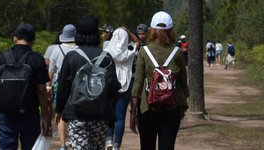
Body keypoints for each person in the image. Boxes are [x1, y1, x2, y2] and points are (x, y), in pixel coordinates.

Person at [0, 23, 53, 150]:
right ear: (33, 40)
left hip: (6, 116)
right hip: (30, 115)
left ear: (15, 38)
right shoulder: (37, 59)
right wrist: (45, 118)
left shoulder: (1, 57)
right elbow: (42, 92)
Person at [55, 15, 118, 150]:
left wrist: (60, 110)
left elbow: (62, 87)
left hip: (76, 114)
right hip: (100, 116)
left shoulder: (71, 57)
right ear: (96, 34)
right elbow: (113, 88)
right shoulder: (106, 57)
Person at [129, 11, 188, 150]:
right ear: (171, 30)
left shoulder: (144, 52)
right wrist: (182, 107)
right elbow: (183, 84)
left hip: (147, 109)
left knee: (147, 146)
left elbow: (137, 84)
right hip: (171, 109)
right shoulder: (177, 52)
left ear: (151, 30)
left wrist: (133, 113)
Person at [103, 24, 140, 150]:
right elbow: (137, 41)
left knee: (110, 114)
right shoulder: (129, 50)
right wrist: (127, 30)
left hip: (110, 85)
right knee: (120, 117)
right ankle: (117, 145)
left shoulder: (108, 49)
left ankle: (108, 140)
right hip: (125, 84)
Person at [44, 24, 77, 150]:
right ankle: (74, 141)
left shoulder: (56, 50)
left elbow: (51, 70)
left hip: (60, 86)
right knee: (75, 114)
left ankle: (63, 144)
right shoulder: (79, 49)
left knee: (60, 114)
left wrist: (49, 87)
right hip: (76, 87)